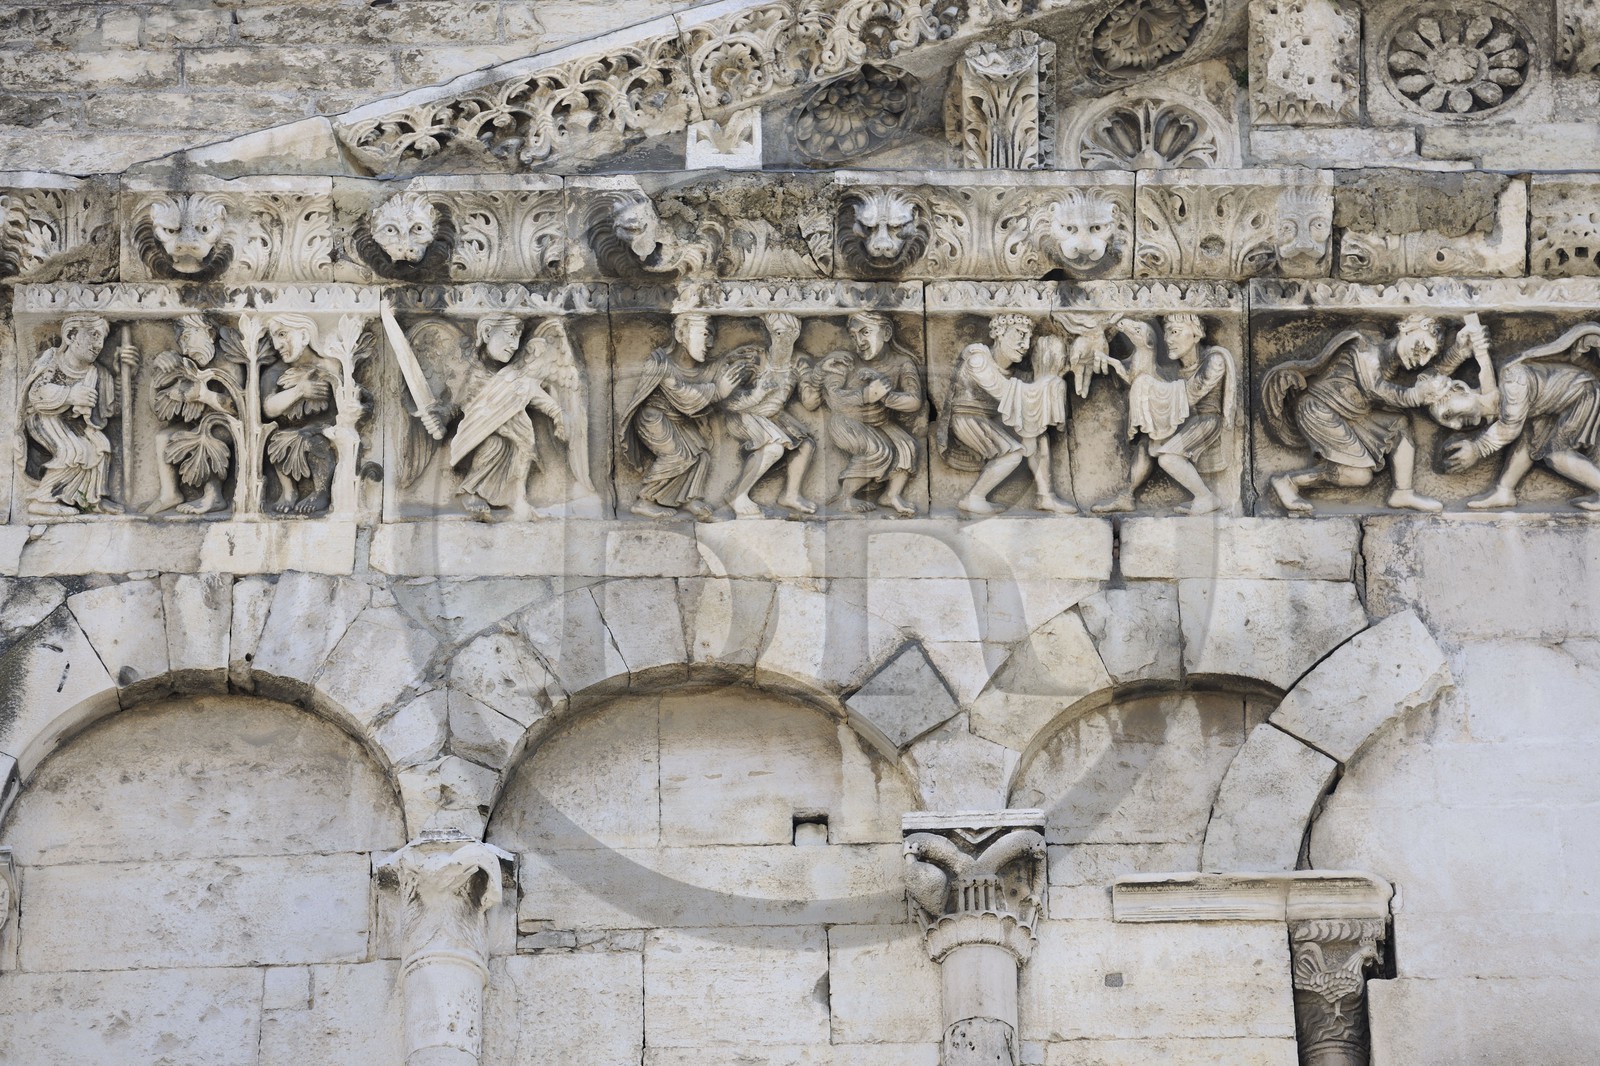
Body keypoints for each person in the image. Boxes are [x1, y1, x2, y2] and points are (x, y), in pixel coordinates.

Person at [1263, 314, 1476, 514]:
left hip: (1353, 415)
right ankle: (1290, 481)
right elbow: (1376, 388)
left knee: (1399, 424)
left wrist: (1458, 352)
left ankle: (1402, 493)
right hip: (1319, 410)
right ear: (1407, 327)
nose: (1422, 360)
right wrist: (1414, 396)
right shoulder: (1365, 346)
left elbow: (1427, 378)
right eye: (1422, 347)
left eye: (1428, 356)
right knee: (1359, 476)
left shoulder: (1392, 363)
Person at [1430, 323, 1600, 512]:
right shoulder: (1499, 396)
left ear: (1460, 389)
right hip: (1550, 407)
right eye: (1447, 422)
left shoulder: (1512, 380)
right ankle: (1505, 490)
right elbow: (1488, 387)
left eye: (1447, 413)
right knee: (1529, 438)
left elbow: (1509, 428)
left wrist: (1478, 449)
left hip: (1581, 395)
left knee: (1556, 455)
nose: (1454, 424)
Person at [1094, 314, 1235, 515]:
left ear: (1196, 335)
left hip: (1205, 422)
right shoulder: (1175, 371)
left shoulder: (1214, 361)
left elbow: (1190, 395)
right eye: (1167, 332)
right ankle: (1127, 496)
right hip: (1185, 420)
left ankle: (1206, 497)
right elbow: (1158, 386)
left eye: (1175, 332)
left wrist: (1146, 384)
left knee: (1168, 458)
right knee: (1145, 446)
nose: (1168, 339)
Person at [938, 313, 1074, 515]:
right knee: (1012, 454)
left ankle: (1046, 496)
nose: (1025, 345)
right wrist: (1046, 384)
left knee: (1038, 437)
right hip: (968, 418)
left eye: (1028, 338)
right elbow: (1005, 392)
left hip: (991, 418)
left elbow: (1019, 402)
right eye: (1019, 334)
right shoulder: (979, 360)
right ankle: (973, 497)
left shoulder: (1015, 371)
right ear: (999, 334)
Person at [618, 312, 743, 520]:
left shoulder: (700, 369)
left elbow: (710, 376)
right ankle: (644, 501)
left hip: (677, 420)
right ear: (681, 334)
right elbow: (684, 395)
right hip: (653, 418)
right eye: (704, 334)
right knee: (679, 455)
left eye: (712, 335)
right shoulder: (659, 363)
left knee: (700, 456)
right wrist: (718, 391)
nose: (710, 343)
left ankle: (689, 499)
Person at [801, 311, 924, 516]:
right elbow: (834, 399)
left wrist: (886, 397)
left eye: (865, 332)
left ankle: (891, 494)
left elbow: (914, 401)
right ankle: (846, 498)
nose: (859, 341)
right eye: (853, 335)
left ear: (885, 332)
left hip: (881, 422)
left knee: (908, 446)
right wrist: (865, 395)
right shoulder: (846, 361)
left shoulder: (903, 363)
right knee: (877, 449)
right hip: (845, 422)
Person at [23, 313, 131, 516]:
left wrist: (123, 375)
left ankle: (91, 499)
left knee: (100, 446)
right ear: (71, 335)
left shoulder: (97, 372)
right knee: (73, 450)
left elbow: (113, 409)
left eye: (102, 339)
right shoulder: (53, 359)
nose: (99, 345)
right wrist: (70, 395)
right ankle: (42, 500)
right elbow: (36, 393)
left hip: (76, 424)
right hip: (44, 417)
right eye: (94, 335)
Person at [719, 313, 816, 519]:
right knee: (773, 448)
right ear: (770, 333)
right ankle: (737, 495)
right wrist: (757, 394)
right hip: (744, 414)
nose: (783, 339)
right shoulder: (753, 357)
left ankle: (790, 495)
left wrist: (818, 380)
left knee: (807, 444)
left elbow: (810, 403)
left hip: (773, 416)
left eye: (788, 334)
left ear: (796, 334)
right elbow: (726, 400)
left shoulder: (799, 362)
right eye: (778, 333)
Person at [149, 313, 243, 515]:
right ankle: (169, 493)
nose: (184, 346)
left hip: (226, 425)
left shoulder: (227, 362)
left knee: (205, 437)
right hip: (201, 422)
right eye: (180, 340)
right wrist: (161, 366)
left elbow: (238, 407)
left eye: (188, 336)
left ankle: (214, 496)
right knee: (163, 437)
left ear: (209, 333)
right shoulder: (187, 363)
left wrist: (201, 394)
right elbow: (159, 411)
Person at [261, 313, 337, 515]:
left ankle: (321, 491)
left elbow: (346, 402)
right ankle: (288, 491)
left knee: (316, 442)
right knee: (275, 442)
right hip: (288, 432)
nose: (277, 345)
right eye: (274, 339)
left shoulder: (330, 367)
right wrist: (299, 391)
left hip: (321, 430)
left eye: (283, 334)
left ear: (304, 335)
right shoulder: (273, 373)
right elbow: (268, 408)